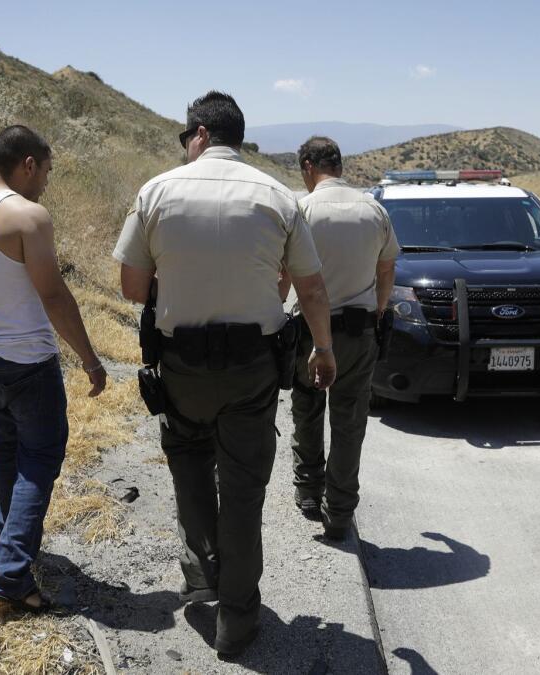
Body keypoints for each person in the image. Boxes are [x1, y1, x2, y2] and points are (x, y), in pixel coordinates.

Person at [113, 92, 336, 658]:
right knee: (242, 491)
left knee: (189, 466)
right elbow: (309, 286)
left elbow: (133, 288)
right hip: (252, 368)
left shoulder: (156, 191)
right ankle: (237, 621)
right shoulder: (279, 198)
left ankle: (202, 572)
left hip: (181, 364)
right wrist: (324, 350)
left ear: (200, 134)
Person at [0, 125, 107, 612]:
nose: (47, 183)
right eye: (47, 171)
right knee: (41, 456)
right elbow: (53, 295)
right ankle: (11, 572)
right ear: (28, 163)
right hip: (27, 360)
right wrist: (90, 359)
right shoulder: (28, 217)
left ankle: (10, 532)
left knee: (7, 445)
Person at [279, 136, 399, 540]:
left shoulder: (303, 209)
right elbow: (387, 272)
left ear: (309, 166)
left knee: (307, 408)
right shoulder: (374, 209)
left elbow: (284, 275)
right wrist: (377, 313)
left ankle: (309, 491)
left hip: (310, 330)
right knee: (349, 423)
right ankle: (341, 511)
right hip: (359, 330)